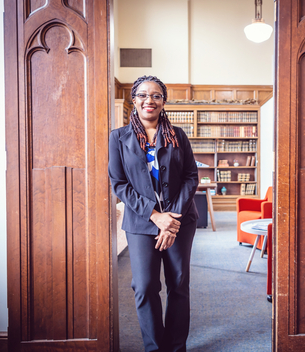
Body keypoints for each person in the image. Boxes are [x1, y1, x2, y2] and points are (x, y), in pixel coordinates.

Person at [108, 75, 199, 352]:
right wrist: (156, 216)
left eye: (157, 96)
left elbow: (191, 176)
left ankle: (175, 347)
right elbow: (118, 183)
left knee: (179, 283)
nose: (150, 100)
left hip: (180, 220)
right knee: (145, 286)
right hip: (140, 223)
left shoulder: (177, 135)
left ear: (163, 101)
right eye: (144, 95)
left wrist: (170, 219)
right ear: (134, 100)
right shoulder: (118, 138)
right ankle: (154, 347)